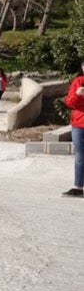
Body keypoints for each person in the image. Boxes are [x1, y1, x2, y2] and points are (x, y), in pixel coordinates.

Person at [62, 59, 84, 198]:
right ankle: (79, 187)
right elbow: (69, 103)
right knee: (80, 156)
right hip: (79, 125)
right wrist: (77, 94)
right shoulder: (78, 81)